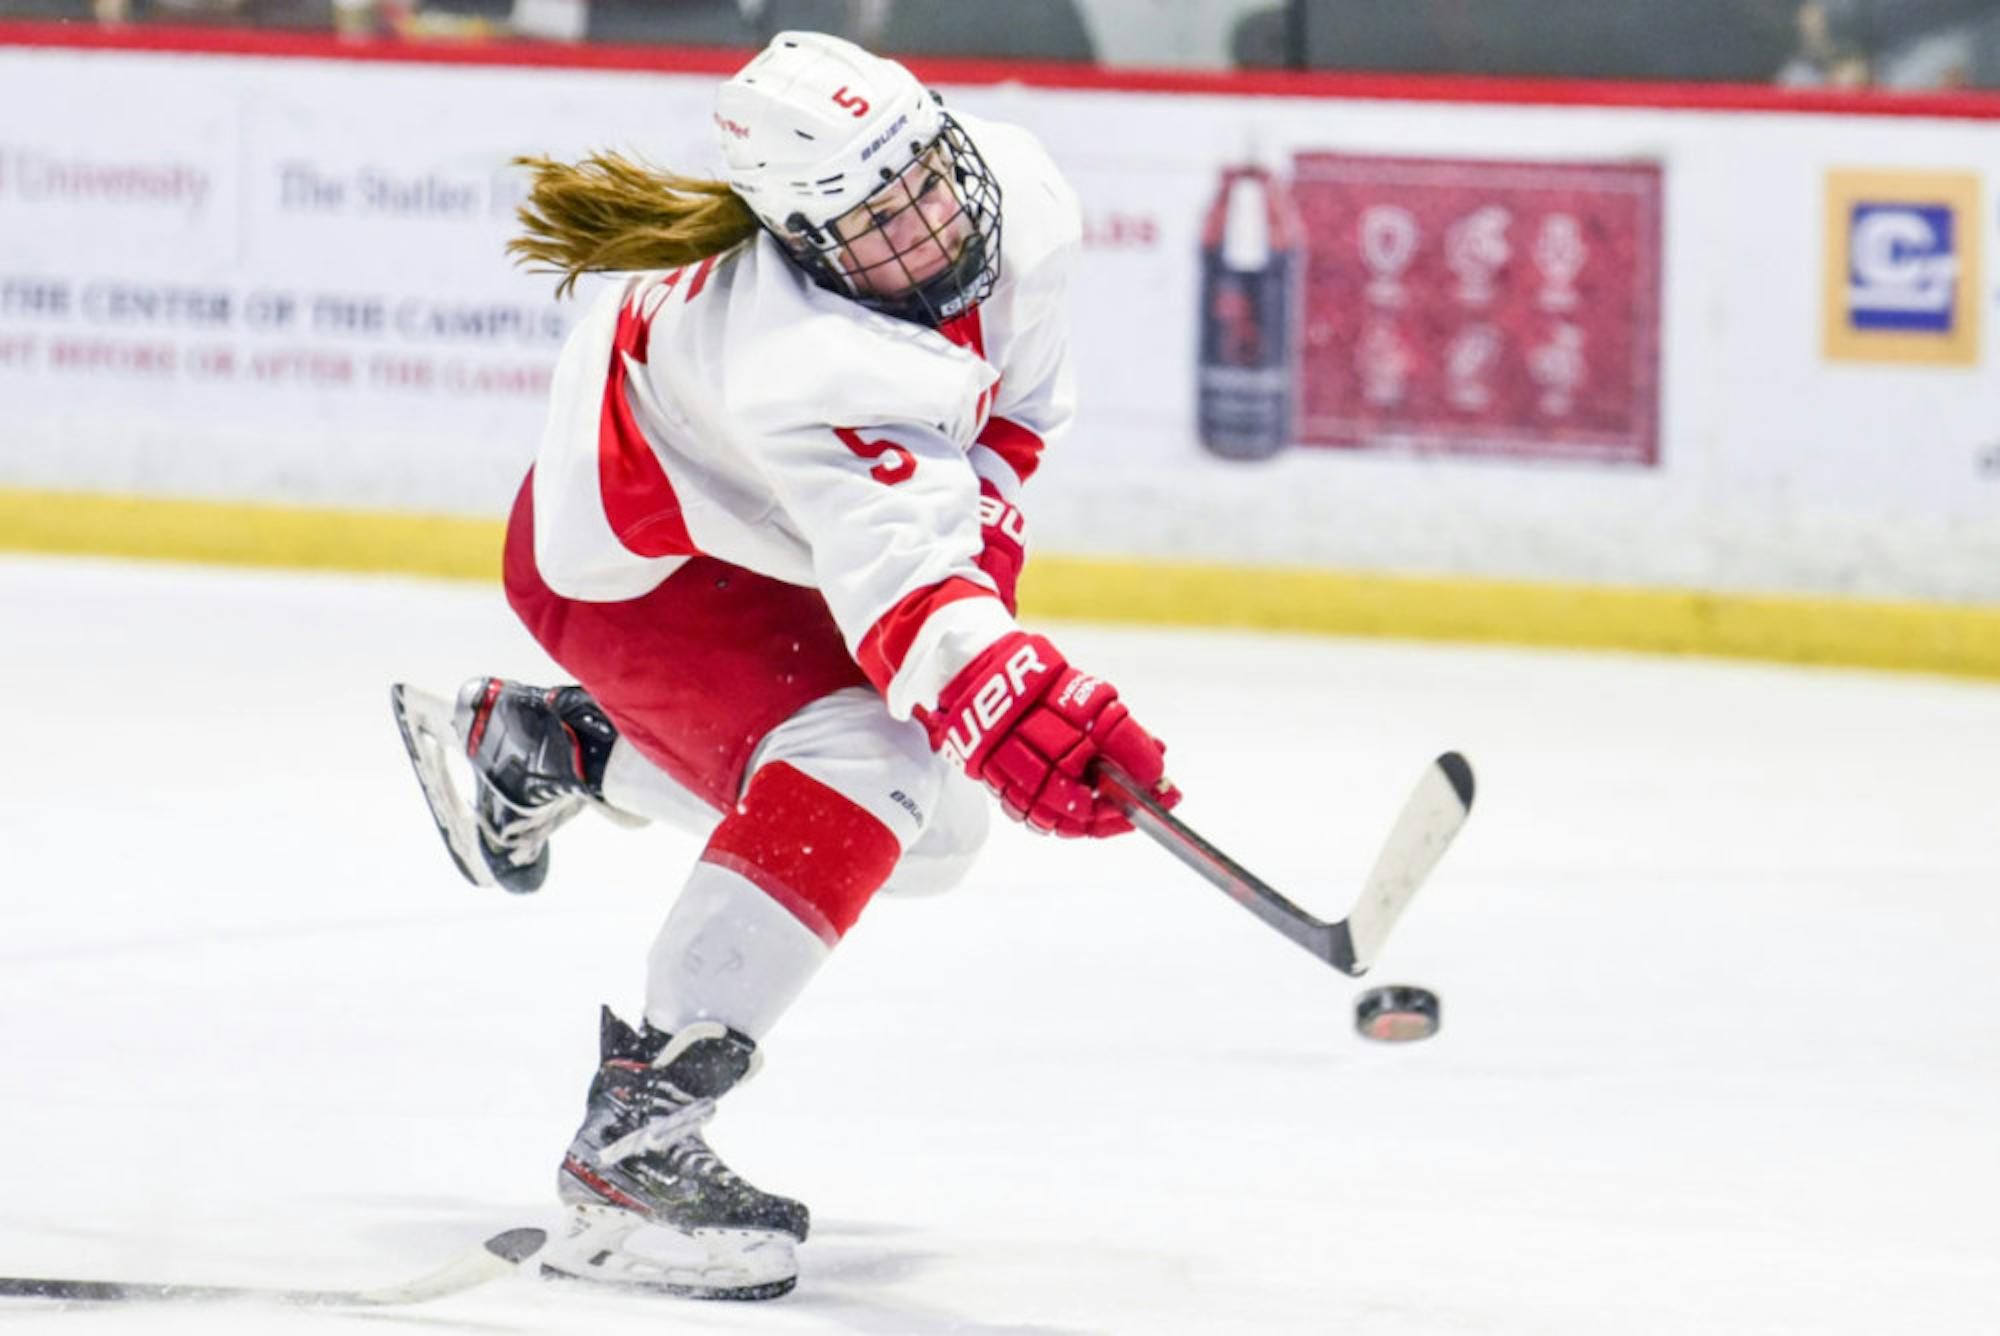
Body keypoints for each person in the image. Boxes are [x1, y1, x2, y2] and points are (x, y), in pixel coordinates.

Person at [389, 30, 1180, 1301]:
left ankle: (552, 748)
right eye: (875, 224)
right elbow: (905, 589)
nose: (927, 231)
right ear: (805, 240)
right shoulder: (808, 358)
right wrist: (1003, 692)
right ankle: (631, 1155)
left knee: (934, 830)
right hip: (634, 567)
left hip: (742, 516)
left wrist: (999, 678)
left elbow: (1010, 427)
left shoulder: (1019, 189)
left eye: (927, 179)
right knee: (867, 763)